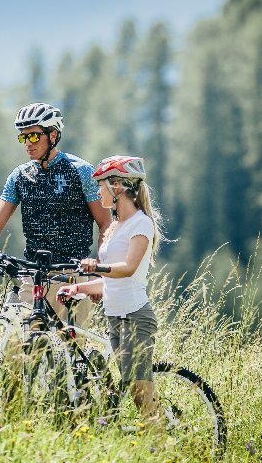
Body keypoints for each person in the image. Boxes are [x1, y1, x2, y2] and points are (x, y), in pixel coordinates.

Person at [0, 102, 111, 323]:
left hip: (73, 274)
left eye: (33, 136)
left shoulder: (81, 171)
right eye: (23, 137)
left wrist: (99, 270)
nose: (27, 143)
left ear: (53, 135)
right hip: (33, 274)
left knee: (68, 350)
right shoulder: (20, 176)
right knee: (15, 345)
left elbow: (105, 223)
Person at [56, 155, 163, 419]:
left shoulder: (141, 223)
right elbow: (110, 281)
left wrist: (96, 266)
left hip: (135, 317)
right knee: (132, 389)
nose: (97, 191)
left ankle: (164, 449)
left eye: (100, 185)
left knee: (141, 395)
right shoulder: (116, 226)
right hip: (114, 316)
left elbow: (128, 267)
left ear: (116, 186)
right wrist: (78, 289)